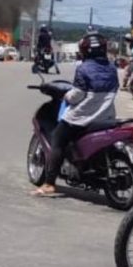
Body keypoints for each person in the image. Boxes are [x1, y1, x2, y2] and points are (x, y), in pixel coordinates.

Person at [32, 31, 120, 197]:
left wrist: (65, 95)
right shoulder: (112, 68)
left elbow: (76, 96)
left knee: (58, 139)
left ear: (84, 51)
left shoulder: (83, 68)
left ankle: (49, 183)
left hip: (82, 118)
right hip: (106, 117)